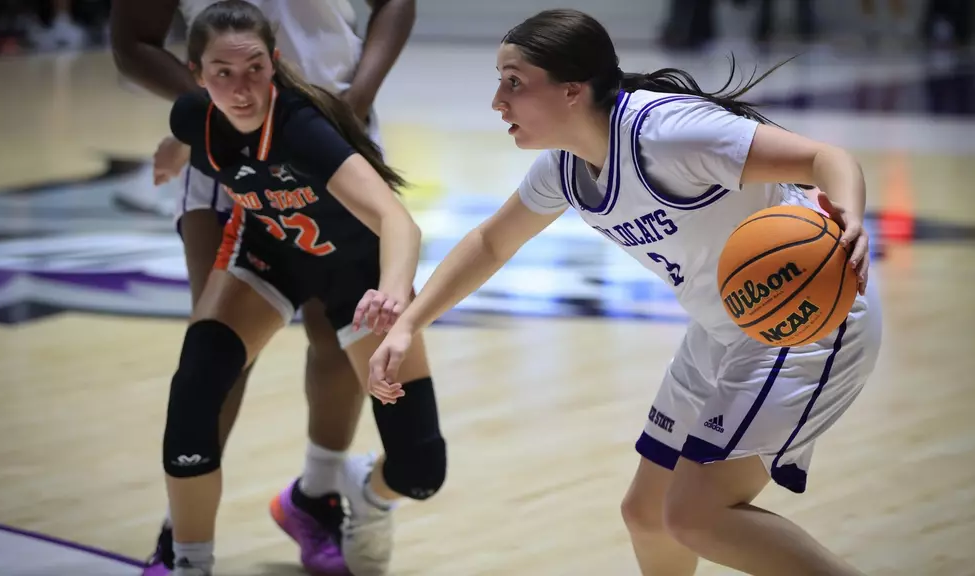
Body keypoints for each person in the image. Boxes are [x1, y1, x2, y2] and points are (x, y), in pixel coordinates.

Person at [367, 9, 881, 576]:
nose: (497, 100)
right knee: (647, 514)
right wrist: (410, 324)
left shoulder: (669, 133)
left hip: (806, 319)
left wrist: (849, 215)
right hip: (720, 329)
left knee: (695, 516)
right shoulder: (564, 168)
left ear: (571, 90)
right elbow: (490, 242)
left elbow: (824, 158)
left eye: (513, 81)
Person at [109, 0, 417, 573]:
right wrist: (214, 107)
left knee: (340, 337)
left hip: (333, 131)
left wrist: (354, 101)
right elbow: (132, 41)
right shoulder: (209, 110)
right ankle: (183, 537)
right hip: (225, 150)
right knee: (216, 355)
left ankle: (317, 496)